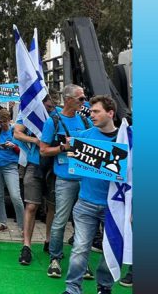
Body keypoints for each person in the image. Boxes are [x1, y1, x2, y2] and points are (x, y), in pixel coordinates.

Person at [62, 95, 121, 294]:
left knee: (111, 250)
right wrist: (71, 149)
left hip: (114, 206)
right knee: (80, 248)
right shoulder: (85, 136)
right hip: (86, 202)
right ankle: (72, 289)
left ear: (110, 113)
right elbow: (75, 168)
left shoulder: (126, 138)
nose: (91, 114)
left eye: (96, 111)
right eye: (92, 111)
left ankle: (104, 287)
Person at [41, 84, 93, 279]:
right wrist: (62, 148)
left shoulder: (86, 121)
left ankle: (82, 262)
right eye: (80, 98)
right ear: (68, 99)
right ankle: (55, 258)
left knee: (83, 223)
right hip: (64, 180)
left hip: (85, 180)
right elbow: (44, 150)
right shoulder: (53, 121)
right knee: (60, 220)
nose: (84, 101)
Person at [14, 95, 58, 265]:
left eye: (50, 106)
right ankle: (26, 246)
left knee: (52, 206)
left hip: (54, 167)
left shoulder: (58, 115)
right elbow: (17, 133)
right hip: (34, 164)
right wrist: (36, 140)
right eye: (46, 106)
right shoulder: (29, 115)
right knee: (31, 205)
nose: (49, 108)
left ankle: (48, 240)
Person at [0, 109, 25, 235]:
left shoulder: (15, 132)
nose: (3, 124)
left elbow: (24, 152)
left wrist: (14, 146)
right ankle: (3, 222)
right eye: (0, 122)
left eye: (5, 122)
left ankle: (23, 226)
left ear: (10, 120)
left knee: (15, 196)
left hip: (10, 166)